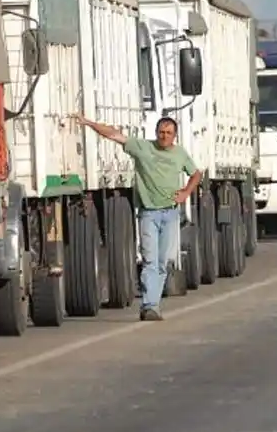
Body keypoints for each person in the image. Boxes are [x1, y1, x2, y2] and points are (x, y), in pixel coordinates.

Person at [74, 114, 202, 321]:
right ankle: (150, 306)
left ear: (174, 136)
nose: (164, 136)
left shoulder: (180, 154)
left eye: (169, 133)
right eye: (161, 132)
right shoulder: (143, 148)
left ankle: (152, 303)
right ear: (156, 133)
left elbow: (196, 174)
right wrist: (89, 123)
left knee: (162, 262)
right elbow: (115, 135)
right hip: (148, 213)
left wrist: (186, 192)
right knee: (150, 260)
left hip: (170, 213)